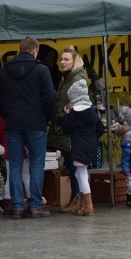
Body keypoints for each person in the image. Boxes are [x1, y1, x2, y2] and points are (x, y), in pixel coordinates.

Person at [0, 36, 56, 218]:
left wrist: (8, 114)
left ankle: (18, 207)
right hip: (36, 124)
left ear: (20, 49)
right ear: (35, 51)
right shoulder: (42, 70)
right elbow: (50, 97)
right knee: (36, 164)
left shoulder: (5, 70)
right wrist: (46, 117)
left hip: (13, 124)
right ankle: (35, 206)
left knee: (15, 165)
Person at [47, 46, 88, 213]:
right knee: (72, 166)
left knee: (74, 166)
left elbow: (78, 104)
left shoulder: (77, 79)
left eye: (66, 59)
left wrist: (64, 117)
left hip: (71, 130)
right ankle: (76, 198)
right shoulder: (67, 77)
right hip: (65, 128)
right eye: (61, 59)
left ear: (74, 61)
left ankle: (78, 199)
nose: (62, 62)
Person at [61, 79, 104, 216]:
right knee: (79, 174)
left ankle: (88, 206)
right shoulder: (92, 111)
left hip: (79, 146)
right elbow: (101, 129)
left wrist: (67, 115)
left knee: (81, 174)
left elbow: (66, 129)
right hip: (89, 145)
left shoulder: (74, 113)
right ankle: (82, 203)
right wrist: (92, 139)